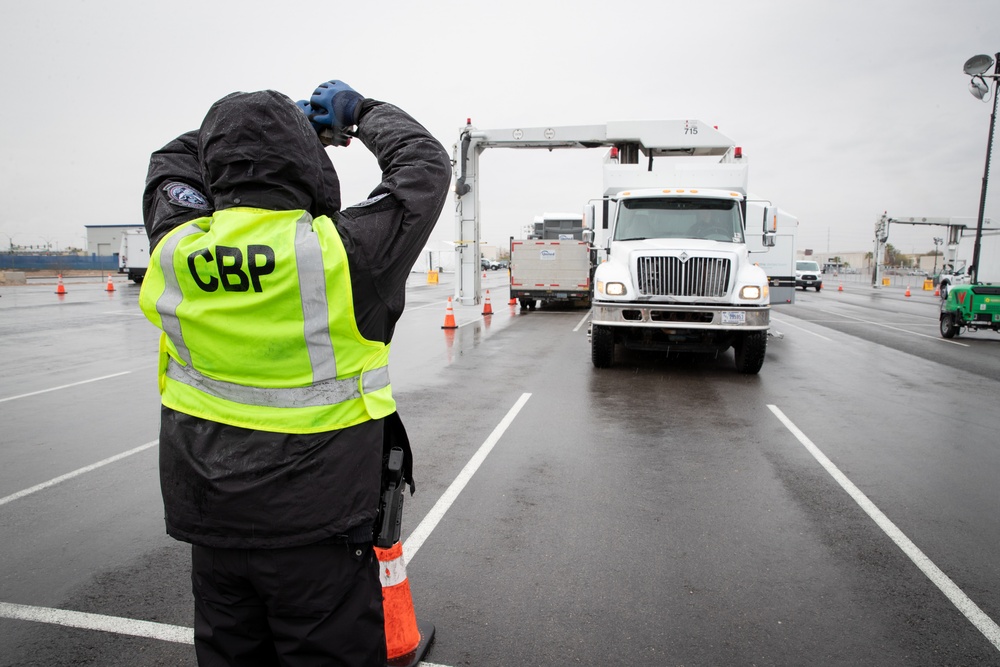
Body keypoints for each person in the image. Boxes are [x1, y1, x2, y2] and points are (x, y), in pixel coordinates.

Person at [138, 80, 451, 666]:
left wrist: (253, 130)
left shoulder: (176, 248)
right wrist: (357, 115)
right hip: (320, 525)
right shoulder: (347, 253)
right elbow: (424, 164)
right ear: (307, 167)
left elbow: (171, 163)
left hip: (210, 519)